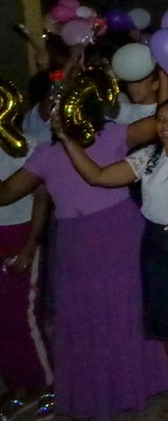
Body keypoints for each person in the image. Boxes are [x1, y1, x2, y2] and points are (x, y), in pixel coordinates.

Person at [60, 95, 168, 415]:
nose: (165, 126)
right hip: (158, 242)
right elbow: (97, 176)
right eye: (161, 119)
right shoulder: (148, 157)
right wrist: (68, 141)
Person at [0, 107, 168, 420]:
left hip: (119, 233)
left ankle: (143, 381)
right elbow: (6, 193)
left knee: (127, 309)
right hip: (76, 243)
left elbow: (160, 123)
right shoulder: (45, 155)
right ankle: (103, 390)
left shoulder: (112, 134)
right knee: (86, 319)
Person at [0, 92, 52, 418]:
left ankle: (47, 384)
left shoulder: (26, 145)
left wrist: (31, 244)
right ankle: (19, 387)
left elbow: (42, 198)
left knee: (24, 316)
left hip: (19, 232)